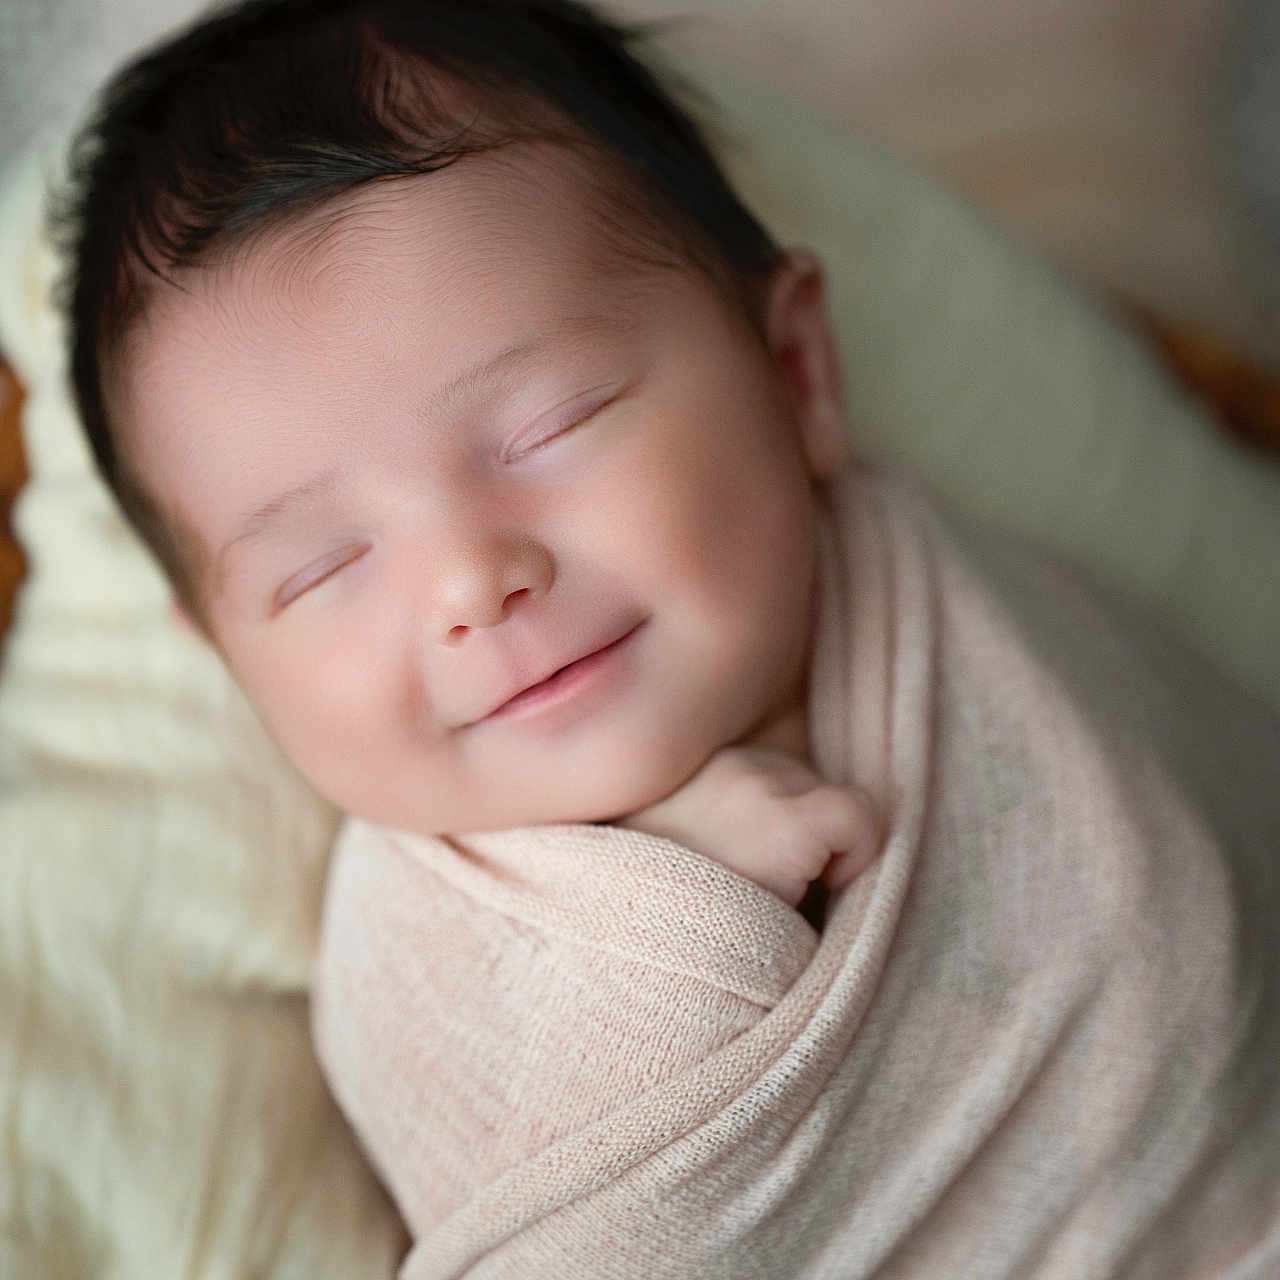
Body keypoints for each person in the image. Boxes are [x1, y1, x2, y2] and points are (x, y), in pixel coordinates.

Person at [55, 0, 1280, 1275]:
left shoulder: (924, 586)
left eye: (546, 425)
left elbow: (1181, 843)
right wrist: (687, 923)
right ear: (225, 657)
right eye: (322, 566)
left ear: (796, 370)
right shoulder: (403, 951)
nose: (471, 580)